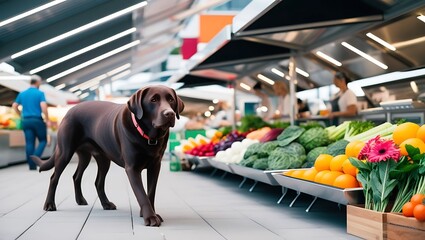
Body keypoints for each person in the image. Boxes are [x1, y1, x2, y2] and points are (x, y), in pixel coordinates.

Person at [12, 75, 49, 170]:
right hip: (37, 120)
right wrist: (47, 119)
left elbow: (15, 105)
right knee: (43, 140)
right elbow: (43, 106)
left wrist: (20, 114)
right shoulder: (40, 93)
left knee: (29, 143)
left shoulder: (22, 93)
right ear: (37, 82)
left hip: (26, 121)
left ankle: (31, 165)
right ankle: (35, 160)